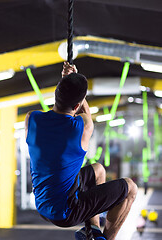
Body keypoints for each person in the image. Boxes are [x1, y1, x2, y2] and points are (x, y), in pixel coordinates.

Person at [25, 62, 138, 240]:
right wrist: (69, 81)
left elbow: (66, 108)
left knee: (98, 170)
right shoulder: (82, 127)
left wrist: (67, 82)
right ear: (77, 105)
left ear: (56, 94)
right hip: (65, 212)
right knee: (131, 188)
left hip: (42, 204)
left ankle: (93, 230)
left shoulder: (32, 119)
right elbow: (85, 113)